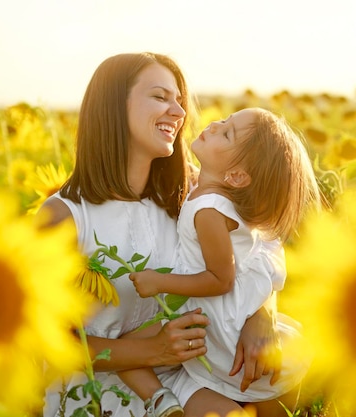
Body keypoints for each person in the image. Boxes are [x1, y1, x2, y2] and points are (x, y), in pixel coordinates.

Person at [38, 52, 286, 417]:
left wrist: (259, 314)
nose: (179, 112)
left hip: (183, 375)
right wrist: (154, 350)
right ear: (112, 106)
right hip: (93, 393)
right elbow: (48, 345)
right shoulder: (63, 217)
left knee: (277, 397)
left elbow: (258, 247)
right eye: (160, 97)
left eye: (179, 101)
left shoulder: (191, 190)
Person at [127, 107, 321, 416]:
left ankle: (163, 401)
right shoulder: (215, 198)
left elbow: (221, 279)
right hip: (225, 311)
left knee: (127, 347)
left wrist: (159, 281)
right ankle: (167, 400)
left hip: (218, 321)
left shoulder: (208, 209)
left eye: (227, 133)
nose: (215, 124)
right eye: (225, 121)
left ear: (236, 176)